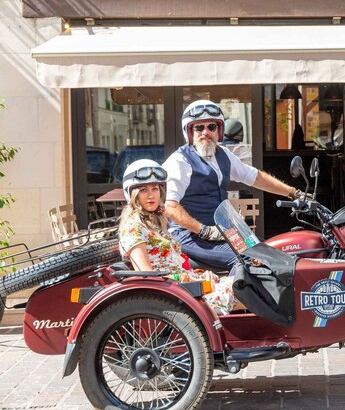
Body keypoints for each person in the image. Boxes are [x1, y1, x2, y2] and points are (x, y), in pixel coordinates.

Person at [163, 99, 301, 270]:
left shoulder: (223, 155)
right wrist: (203, 229)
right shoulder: (180, 161)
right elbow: (170, 206)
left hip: (225, 231)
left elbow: (254, 177)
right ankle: (229, 296)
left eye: (211, 127)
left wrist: (293, 192)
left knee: (271, 254)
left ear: (219, 130)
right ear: (189, 131)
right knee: (247, 262)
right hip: (190, 236)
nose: (206, 132)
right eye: (199, 127)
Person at [117, 159, 236, 316]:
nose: (151, 195)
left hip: (185, 288)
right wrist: (191, 280)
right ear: (133, 194)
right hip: (173, 296)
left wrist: (200, 274)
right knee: (242, 290)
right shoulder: (133, 228)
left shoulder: (155, 224)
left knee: (244, 282)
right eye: (144, 190)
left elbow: (176, 264)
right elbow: (147, 275)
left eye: (155, 188)